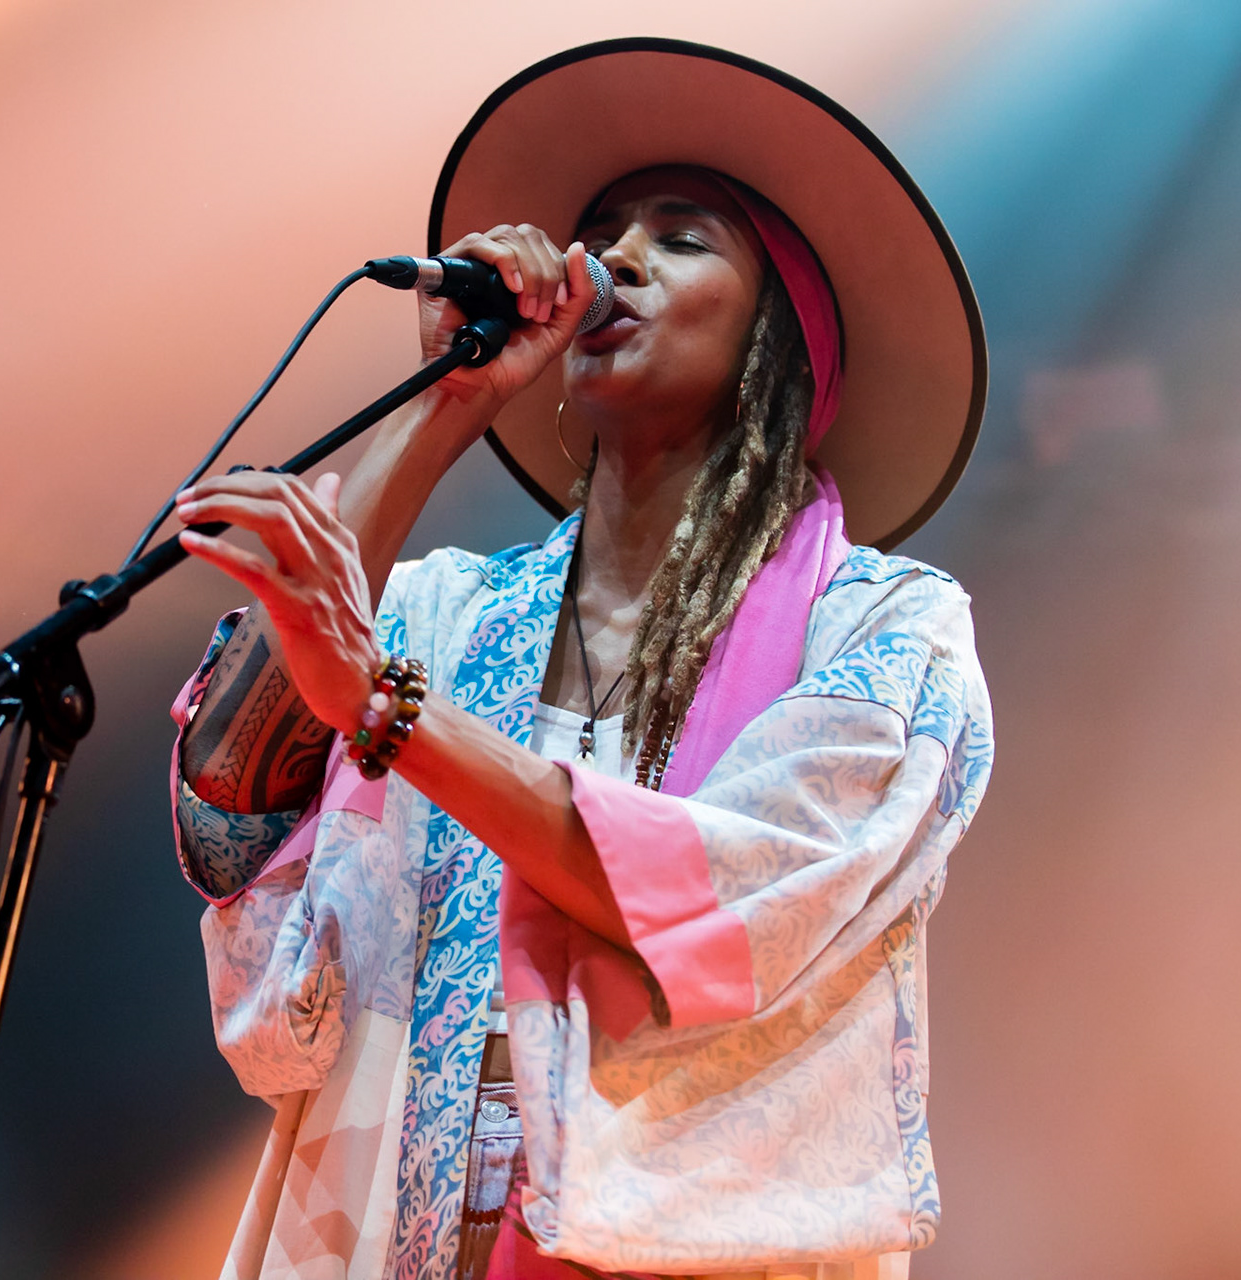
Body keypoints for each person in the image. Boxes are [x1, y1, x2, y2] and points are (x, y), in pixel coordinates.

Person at [165, 39, 992, 1280]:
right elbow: (230, 828)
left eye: (683, 236)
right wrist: (449, 400)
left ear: (779, 338)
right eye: (603, 227)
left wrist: (385, 709)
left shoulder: (884, 634)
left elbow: (722, 904)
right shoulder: (449, 615)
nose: (613, 260)